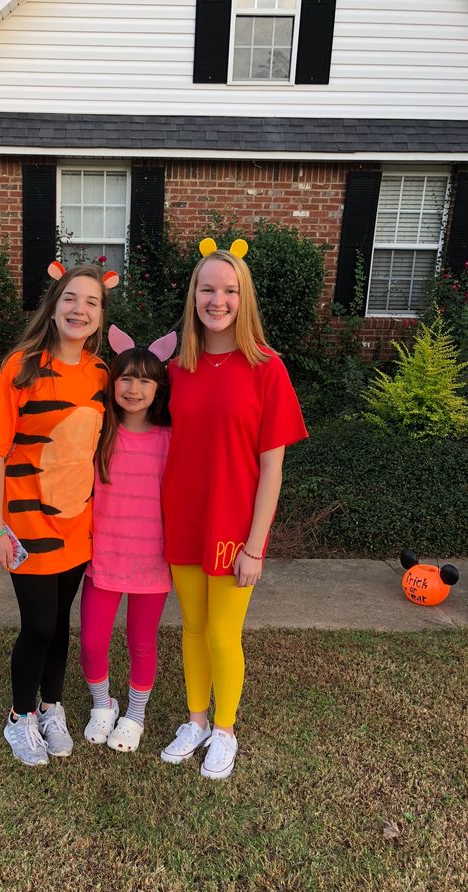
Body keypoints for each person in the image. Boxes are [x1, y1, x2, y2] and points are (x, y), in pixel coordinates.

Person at [160, 238, 308, 779]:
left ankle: (224, 729)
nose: (216, 300)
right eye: (207, 288)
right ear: (193, 297)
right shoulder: (177, 369)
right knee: (193, 629)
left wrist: (255, 546)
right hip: (182, 520)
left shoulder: (267, 368)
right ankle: (195, 720)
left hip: (233, 528)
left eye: (228, 290)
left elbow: (273, 467)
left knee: (224, 634)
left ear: (243, 299)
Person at [0, 261, 118, 766]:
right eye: (70, 299)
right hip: (26, 524)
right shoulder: (21, 367)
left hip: (78, 524)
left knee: (60, 622)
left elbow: (100, 446)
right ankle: (20, 718)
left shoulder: (102, 374)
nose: (79, 310)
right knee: (38, 623)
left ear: (101, 316)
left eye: (91, 302)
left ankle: (51, 706)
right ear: (53, 307)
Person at [79, 325, 176, 753]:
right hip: (103, 558)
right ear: (111, 381)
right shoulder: (100, 433)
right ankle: (104, 705)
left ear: (158, 388)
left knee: (142, 641)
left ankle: (135, 714)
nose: (134, 389)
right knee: (92, 640)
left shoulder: (171, 439)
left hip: (152, 561)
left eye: (145, 380)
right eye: (125, 378)